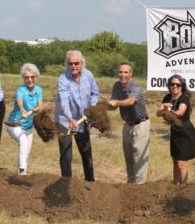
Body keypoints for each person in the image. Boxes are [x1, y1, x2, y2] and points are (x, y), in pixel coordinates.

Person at [55, 50, 99, 181]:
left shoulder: (88, 75)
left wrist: (91, 109)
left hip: (82, 120)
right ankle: (66, 183)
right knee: (66, 154)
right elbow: (64, 101)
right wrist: (70, 118)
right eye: (70, 63)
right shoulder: (63, 79)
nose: (73, 66)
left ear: (81, 64)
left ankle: (90, 183)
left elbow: (95, 93)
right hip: (64, 121)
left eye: (76, 63)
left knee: (86, 153)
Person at [109, 62, 150, 184]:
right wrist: (103, 107)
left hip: (140, 124)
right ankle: (130, 185)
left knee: (139, 156)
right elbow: (112, 106)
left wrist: (116, 102)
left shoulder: (135, 87)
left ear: (131, 74)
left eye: (126, 72)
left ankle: (139, 186)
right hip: (127, 124)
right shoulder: (116, 86)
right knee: (129, 156)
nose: (123, 75)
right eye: (120, 72)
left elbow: (130, 101)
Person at [156, 74, 195, 185]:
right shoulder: (167, 97)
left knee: (181, 164)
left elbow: (180, 112)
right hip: (175, 131)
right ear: (169, 86)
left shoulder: (184, 98)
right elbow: (158, 114)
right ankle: (175, 186)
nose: (174, 86)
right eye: (172, 84)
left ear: (182, 86)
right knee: (175, 162)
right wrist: (164, 108)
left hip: (185, 132)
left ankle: (183, 188)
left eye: (177, 85)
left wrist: (170, 110)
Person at [6, 63, 44, 175]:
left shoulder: (39, 90)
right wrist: (22, 110)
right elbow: (20, 101)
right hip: (15, 124)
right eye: (27, 77)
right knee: (23, 141)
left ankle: (19, 175)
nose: (30, 80)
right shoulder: (20, 90)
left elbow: (41, 107)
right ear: (23, 78)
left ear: (36, 77)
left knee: (25, 153)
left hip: (28, 127)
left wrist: (37, 109)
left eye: (32, 77)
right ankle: (22, 172)